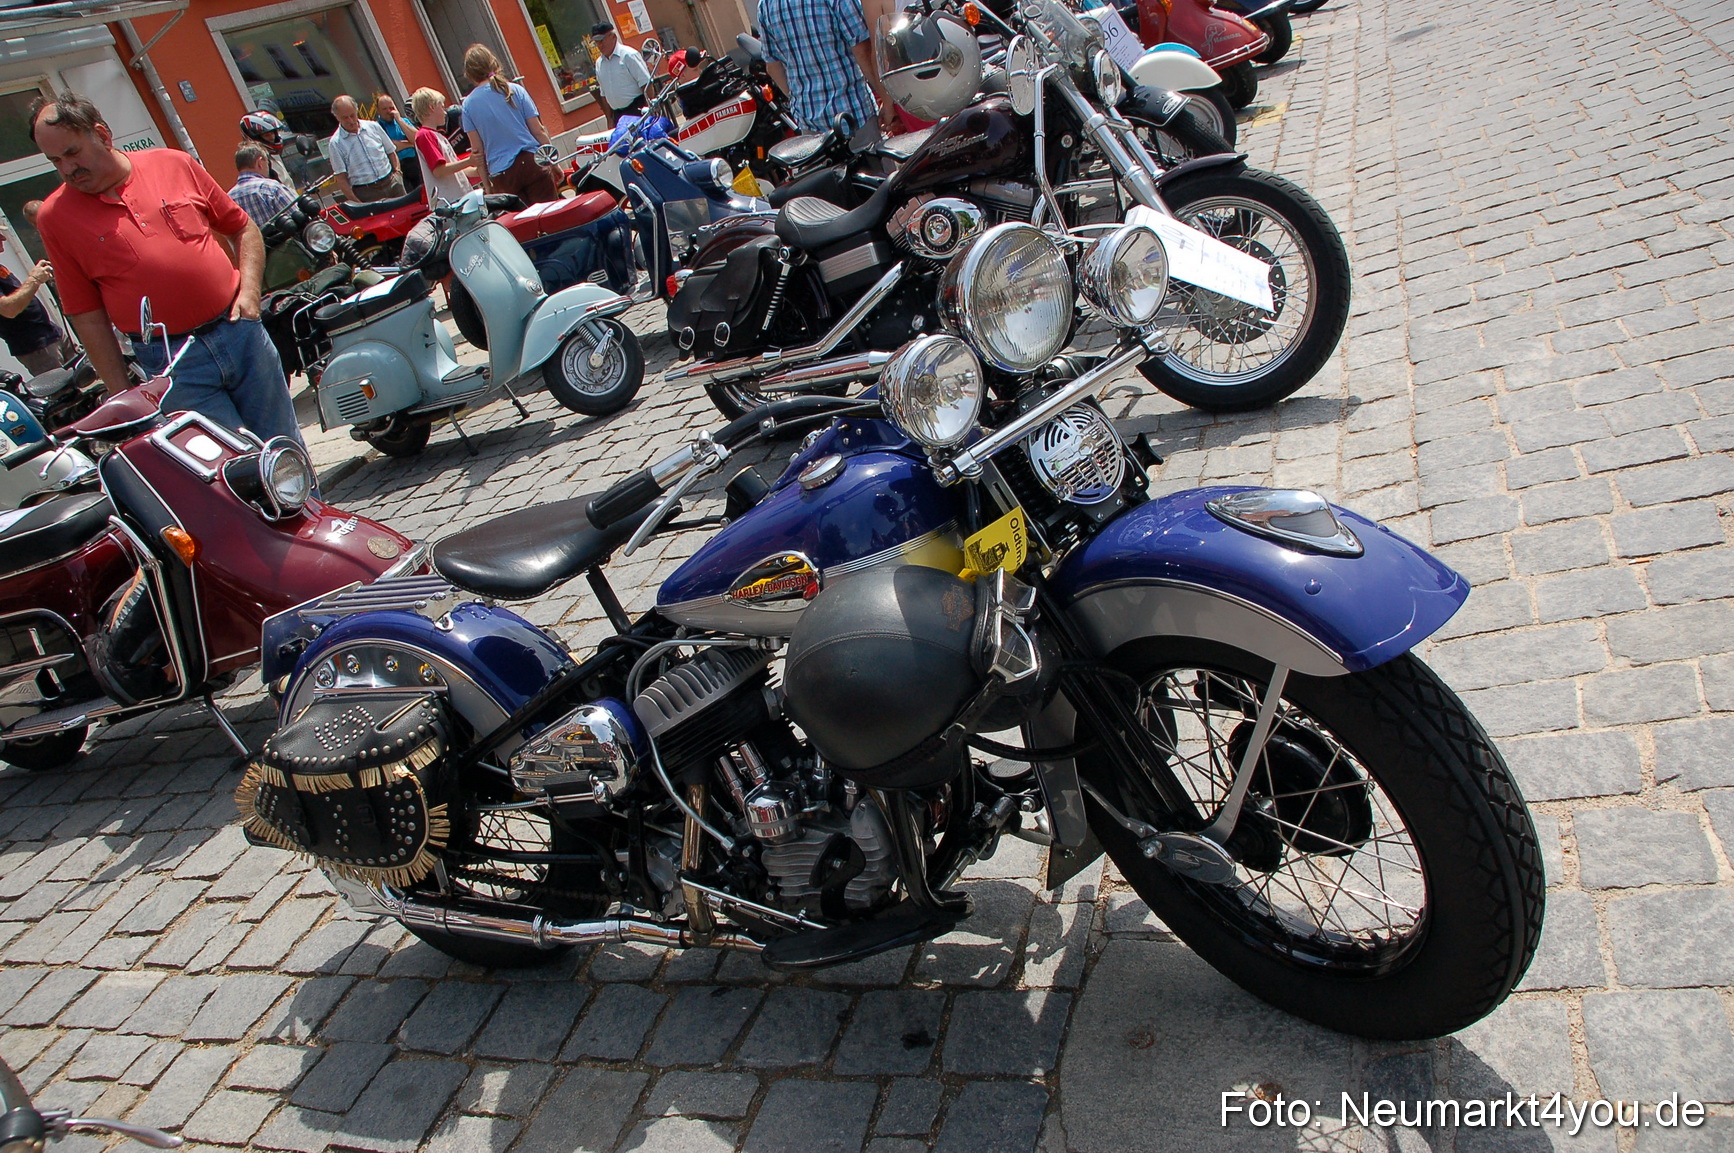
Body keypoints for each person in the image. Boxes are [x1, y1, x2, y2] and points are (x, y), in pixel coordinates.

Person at [29, 91, 307, 452]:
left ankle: (313, 509)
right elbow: (86, 312)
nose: (67, 169)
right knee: (231, 470)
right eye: (55, 161)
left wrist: (250, 292)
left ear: (102, 134)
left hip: (240, 332)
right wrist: (121, 394)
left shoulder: (173, 164)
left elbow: (242, 228)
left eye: (72, 153)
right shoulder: (56, 217)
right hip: (171, 363)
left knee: (285, 448)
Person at [757, 0, 897, 140]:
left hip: (809, 123)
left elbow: (773, 67)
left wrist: (798, 100)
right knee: (875, 160)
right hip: (854, 113)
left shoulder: (766, 5)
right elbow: (863, 51)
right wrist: (887, 100)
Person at [460, 45, 559, 204]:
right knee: (550, 215)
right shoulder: (515, 90)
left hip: (503, 175)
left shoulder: (468, 105)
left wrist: (487, 185)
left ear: (470, 74)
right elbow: (538, 130)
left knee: (521, 225)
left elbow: (478, 152)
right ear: (493, 62)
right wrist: (553, 162)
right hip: (533, 162)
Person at [0, 229, 66, 376]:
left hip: (51, 333)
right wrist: (35, 279)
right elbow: (9, 309)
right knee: (67, 395)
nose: (3, 238)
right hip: (35, 347)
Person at [327, 95, 403, 203]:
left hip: (391, 183)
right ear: (337, 117)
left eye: (352, 115)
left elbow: (391, 151)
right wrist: (356, 202)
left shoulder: (373, 127)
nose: (351, 120)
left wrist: (398, 174)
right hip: (366, 192)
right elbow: (341, 178)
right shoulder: (335, 143)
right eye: (345, 117)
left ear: (356, 111)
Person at [410, 87, 475, 206]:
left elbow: (458, 170)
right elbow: (439, 171)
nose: (445, 112)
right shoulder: (424, 135)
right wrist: (469, 161)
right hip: (450, 204)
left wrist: (478, 170)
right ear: (432, 107)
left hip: (461, 200)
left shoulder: (437, 135)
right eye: (442, 106)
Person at [592, 22, 652, 127]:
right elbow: (604, 94)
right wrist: (609, 119)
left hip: (637, 110)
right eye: (596, 42)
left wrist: (649, 112)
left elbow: (646, 84)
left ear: (613, 36)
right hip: (618, 116)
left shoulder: (628, 55)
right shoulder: (599, 64)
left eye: (602, 40)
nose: (599, 45)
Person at [228, 142, 296, 227]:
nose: (268, 167)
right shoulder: (271, 188)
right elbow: (298, 215)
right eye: (267, 163)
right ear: (259, 163)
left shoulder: (229, 199)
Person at [374, 94, 423, 195]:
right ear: (378, 110)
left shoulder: (404, 121)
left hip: (415, 163)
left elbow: (417, 139)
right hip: (397, 167)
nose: (389, 111)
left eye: (391, 107)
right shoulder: (376, 127)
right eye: (384, 109)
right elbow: (391, 146)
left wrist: (399, 120)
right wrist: (410, 144)